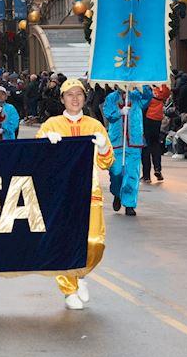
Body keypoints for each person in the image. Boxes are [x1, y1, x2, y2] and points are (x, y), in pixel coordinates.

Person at [36, 79, 113, 310]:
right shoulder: (51, 125)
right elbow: (36, 160)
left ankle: (80, 275)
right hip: (61, 195)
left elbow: (107, 162)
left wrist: (102, 147)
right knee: (64, 243)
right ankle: (69, 290)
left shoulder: (95, 125)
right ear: (62, 99)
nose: (75, 98)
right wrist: (45, 146)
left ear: (84, 97)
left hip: (90, 192)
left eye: (79, 94)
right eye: (69, 94)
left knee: (95, 242)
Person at [103, 87, 150, 216]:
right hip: (117, 142)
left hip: (134, 142)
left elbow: (147, 97)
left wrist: (143, 84)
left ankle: (129, 204)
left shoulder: (137, 96)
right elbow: (108, 114)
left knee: (132, 174)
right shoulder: (111, 98)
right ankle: (117, 193)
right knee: (116, 172)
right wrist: (119, 112)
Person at [141, 83, 169, 180]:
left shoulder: (146, 87)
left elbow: (142, 102)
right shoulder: (163, 87)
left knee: (145, 146)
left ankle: (146, 175)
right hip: (157, 118)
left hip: (147, 117)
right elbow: (167, 93)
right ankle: (157, 169)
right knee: (155, 144)